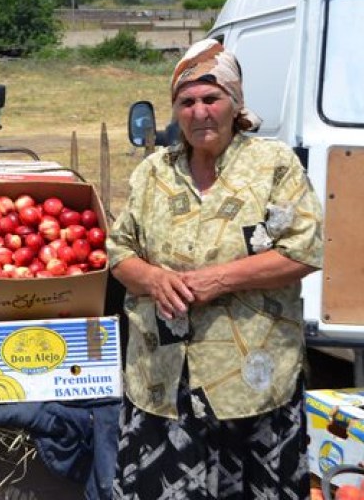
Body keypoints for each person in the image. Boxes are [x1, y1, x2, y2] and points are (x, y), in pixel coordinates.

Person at [108, 38, 323, 499]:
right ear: (175, 110)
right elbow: (119, 250)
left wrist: (219, 279)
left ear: (235, 103)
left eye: (211, 98)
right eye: (187, 102)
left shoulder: (272, 165)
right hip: (162, 381)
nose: (199, 111)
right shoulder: (153, 172)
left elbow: (302, 250)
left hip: (252, 381)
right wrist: (153, 279)